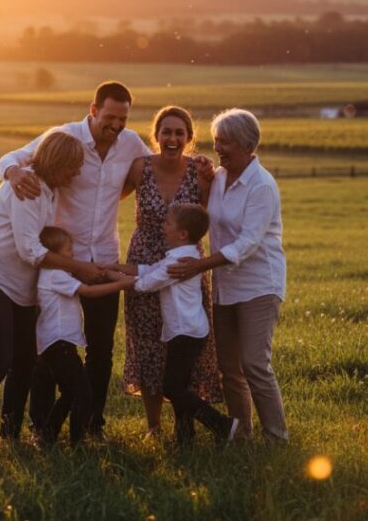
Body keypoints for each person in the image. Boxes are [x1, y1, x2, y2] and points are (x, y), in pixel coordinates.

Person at [0, 81, 151, 439]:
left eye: (123, 118)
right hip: (59, 260)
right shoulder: (64, 137)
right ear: (93, 110)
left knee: (101, 349)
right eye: (110, 117)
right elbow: (9, 158)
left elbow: (154, 167)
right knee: (50, 348)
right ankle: (41, 427)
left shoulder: (130, 143)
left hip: (105, 258)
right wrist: (14, 173)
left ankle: (91, 425)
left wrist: (199, 165)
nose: (116, 125)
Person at [0, 131, 98, 448]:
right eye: (72, 167)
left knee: (24, 363)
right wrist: (79, 268)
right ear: (57, 162)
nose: (76, 174)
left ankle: (9, 436)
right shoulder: (28, 186)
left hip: (18, 285)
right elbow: (29, 250)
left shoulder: (49, 189)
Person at [168, 109, 288, 442]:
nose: (219, 148)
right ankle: (241, 435)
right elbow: (206, 216)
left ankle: (277, 438)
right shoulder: (219, 177)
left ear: (248, 145)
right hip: (226, 287)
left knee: (254, 365)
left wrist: (198, 266)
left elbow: (247, 243)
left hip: (259, 285)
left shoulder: (261, 186)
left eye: (227, 142)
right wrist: (206, 177)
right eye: (217, 140)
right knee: (229, 369)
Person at [120, 105, 222, 436]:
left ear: (190, 138)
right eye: (167, 132)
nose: (173, 138)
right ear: (156, 135)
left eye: (180, 133)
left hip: (184, 266)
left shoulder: (199, 172)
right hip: (143, 260)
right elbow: (107, 197)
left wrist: (210, 174)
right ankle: (153, 427)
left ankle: (185, 428)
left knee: (183, 344)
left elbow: (205, 215)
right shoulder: (140, 168)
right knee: (148, 344)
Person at [112, 204, 237, 446]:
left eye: (168, 223)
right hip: (185, 331)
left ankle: (221, 424)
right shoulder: (178, 257)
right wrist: (117, 268)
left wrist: (115, 280)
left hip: (186, 332)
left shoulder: (179, 262)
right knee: (181, 385)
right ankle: (185, 437)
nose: (163, 226)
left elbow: (146, 283)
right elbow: (149, 270)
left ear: (182, 234)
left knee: (171, 386)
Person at [30, 226, 136, 446]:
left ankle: (47, 436)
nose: (72, 254)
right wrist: (122, 284)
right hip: (59, 344)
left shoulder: (52, 274)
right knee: (83, 393)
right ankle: (77, 442)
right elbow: (88, 291)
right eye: (68, 249)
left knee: (70, 392)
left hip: (57, 344)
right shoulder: (55, 275)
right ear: (55, 253)